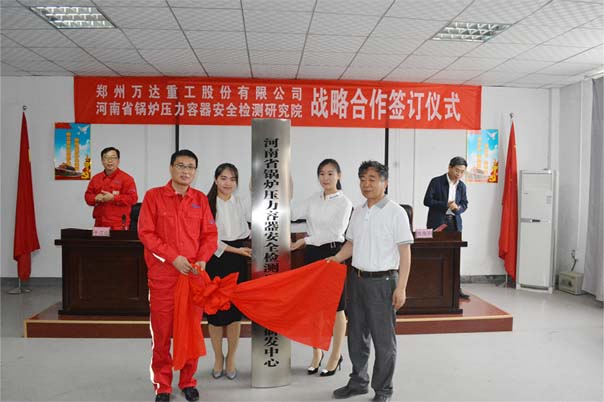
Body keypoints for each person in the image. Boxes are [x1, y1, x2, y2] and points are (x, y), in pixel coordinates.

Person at [328, 161, 413, 402]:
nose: (366, 184)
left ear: (385, 183)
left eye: (372, 179)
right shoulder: (358, 211)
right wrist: (335, 259)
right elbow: (351, 244)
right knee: (357, 336)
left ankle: (383, 390)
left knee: (383, 341)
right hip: (357, 281)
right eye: (363, 179)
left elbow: (405, 252)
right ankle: (358, 382)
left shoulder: (396, 212)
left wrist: (401, 287)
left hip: (383, 283)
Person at [138, 150, 218, 402]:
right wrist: (173, 257)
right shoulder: (153, 197)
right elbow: (146, 233)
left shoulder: (200, 199)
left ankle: (188, 381)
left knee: (190, 332)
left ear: (195, 172)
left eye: (191, 167)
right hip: (163, 277)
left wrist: (202, 258)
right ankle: (162, 385)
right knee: (162, 334)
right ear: (171, 168)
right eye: (181, 166)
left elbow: (209, 234)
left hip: (193, 277)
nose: (186, 171)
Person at [291, 158, 353, 377]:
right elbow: (292, 214)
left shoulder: (344, 202)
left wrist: (304, 240)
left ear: (339, 176)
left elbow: (335, 233)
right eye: (322, 174)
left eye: (330, 173)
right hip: (312, 256)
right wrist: (285, 192)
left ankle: (335, 356)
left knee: (336, 309)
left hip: (333, 255)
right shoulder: (313, 199)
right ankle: (316, 353)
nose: (325, 178)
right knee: (314, 307)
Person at [205, 163, 251, 381]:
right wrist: (237, 250)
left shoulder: (240, 202)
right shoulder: (207, 204)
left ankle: (231, 358)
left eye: (232, 179)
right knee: (214, 313)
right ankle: (217, 358)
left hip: (237, 261)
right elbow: (209, 240)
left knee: (234, 314)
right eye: (223, 178)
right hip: (215, 260)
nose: (228, 183)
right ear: (216, 180)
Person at [423, 156, 469, 299]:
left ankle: (456, 289)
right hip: (437, 222)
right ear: (449, 167)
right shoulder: (436, 181)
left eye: (462, 172)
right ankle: (433, 287)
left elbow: (465, 204)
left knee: (455, 256)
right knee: (435, 255)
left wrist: (458, 208)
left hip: (454, 223)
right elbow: (427, 201)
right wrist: (446, 204)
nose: (459, 174)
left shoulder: (462, 186)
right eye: (457, 170)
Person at [84, 146, 138, 230]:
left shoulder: (127, 179)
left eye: (113, 158)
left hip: (119, 225)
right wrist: (95, 198)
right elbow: (88, 196)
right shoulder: (96, 178)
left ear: (118, 161)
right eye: (106, 158)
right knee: (97, 240)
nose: (110, 161)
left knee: (118, 240)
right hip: (100, 224)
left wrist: (114, 198)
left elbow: (133, 198)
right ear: (102, 161)